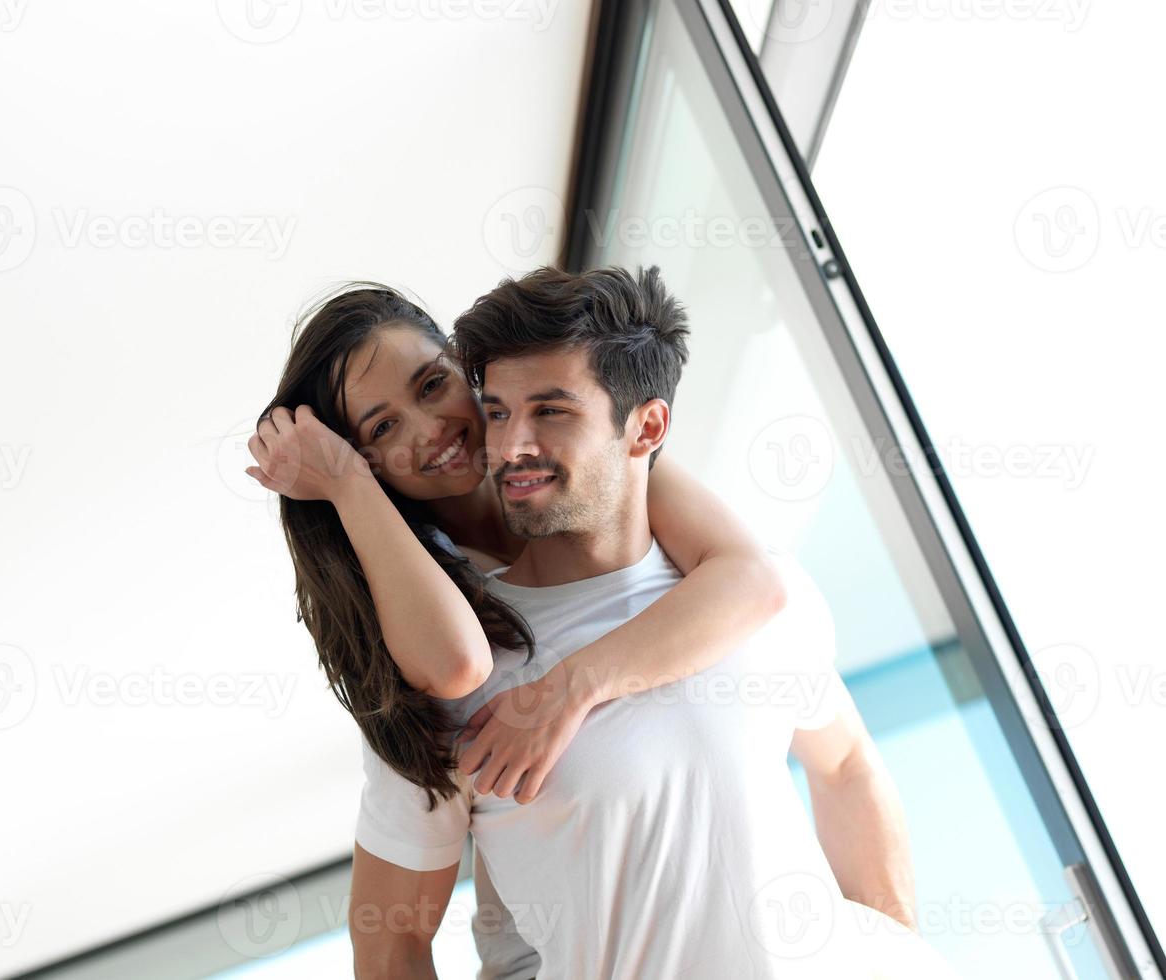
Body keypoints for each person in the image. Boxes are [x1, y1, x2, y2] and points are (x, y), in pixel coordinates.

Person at [342, 266, 930, 979]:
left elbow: (844, 765)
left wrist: (903, 950)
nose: (511, 445)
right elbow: (390, 943)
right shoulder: (453, 676)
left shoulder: (758, 595)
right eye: (496, 412)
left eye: (551, 411)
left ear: (646, 425)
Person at [244, 273, 795, 975]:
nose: (431, 430)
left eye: (432, 385)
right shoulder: (432, 609)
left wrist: (567, 690)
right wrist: (346, 485)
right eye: (381, 429)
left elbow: (750, 579)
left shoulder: (588, 468)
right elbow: (455, 668)